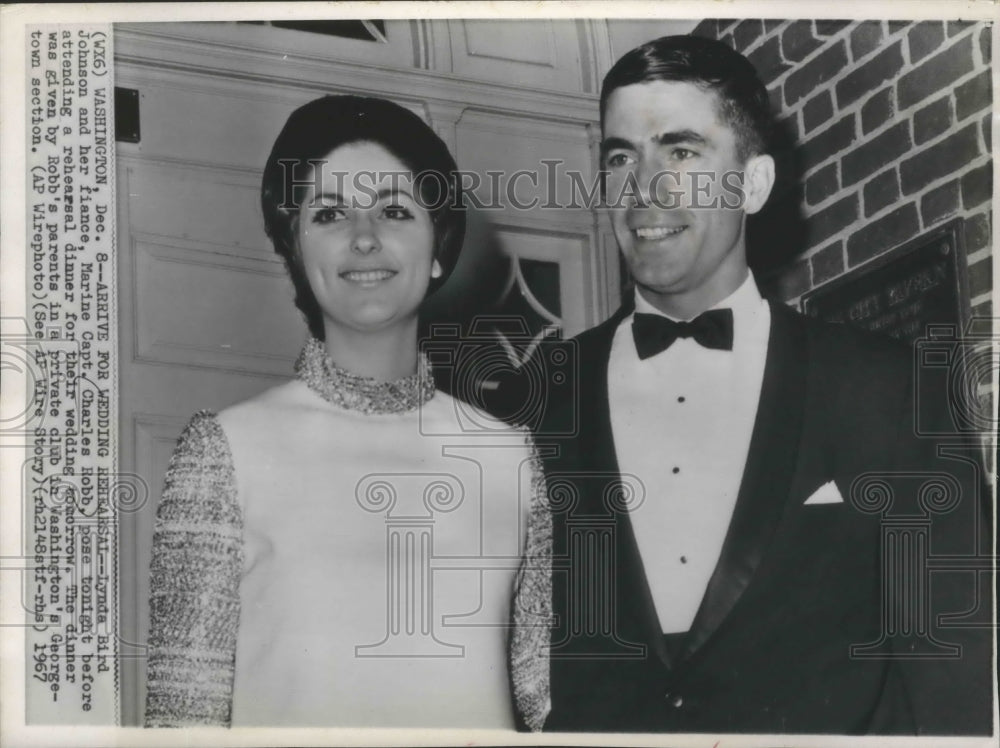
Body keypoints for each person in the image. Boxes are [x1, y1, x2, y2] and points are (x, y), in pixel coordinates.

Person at [509, 35, 993, 734]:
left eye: (680, 152)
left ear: (755, 183)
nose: (643, 188)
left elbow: (957, 674)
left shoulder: (890, 389)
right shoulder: (534, 400)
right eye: (621, 158)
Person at [144, 95, 542, 728]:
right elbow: (182, 720)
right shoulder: (226, 451)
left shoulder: (516, 459)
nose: (363, 238)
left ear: (438, 246)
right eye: (329, 213)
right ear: (297, 252)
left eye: (394, 210)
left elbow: (547, 707)